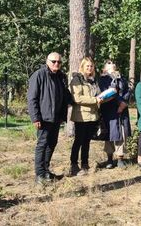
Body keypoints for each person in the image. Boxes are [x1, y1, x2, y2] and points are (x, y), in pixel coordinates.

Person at [27, 52, 73, 185]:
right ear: (47, 61)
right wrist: (35, 118)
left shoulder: (61, 77)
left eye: (59, 62)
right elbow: (32, 98)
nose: (56, 64)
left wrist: (73, 101)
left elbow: (65, 94)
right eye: (54, 62)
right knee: (42, 144)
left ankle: (46, 171)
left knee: (52, 144)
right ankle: (39, 174)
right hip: (44, 118)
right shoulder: (39, 75)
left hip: (56, 117)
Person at [69, 57, 103, 176]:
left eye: (91, 66)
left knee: (87, 141)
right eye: (87, 66)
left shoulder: (93, 81)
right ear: (82, 67)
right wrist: (95, 100)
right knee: (79, 140)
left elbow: (98, 95)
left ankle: (85, 164)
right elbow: (77, 98)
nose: (89, 68)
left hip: (92, 115)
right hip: (81, 116)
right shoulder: (77, 80)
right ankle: (73, 165)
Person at [98, 61, 131, 169]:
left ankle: (120, 158)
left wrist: (123, 103)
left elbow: (127, 91)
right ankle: (109, 159)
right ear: (105, 69)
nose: (112, 65)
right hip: (109, 110)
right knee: (110, 134)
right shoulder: (102, 80)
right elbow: (106, 93)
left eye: (113, 65)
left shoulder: (122, 78)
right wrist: (118, 102)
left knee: (121, 133)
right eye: (109, 64)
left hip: (122, 110)